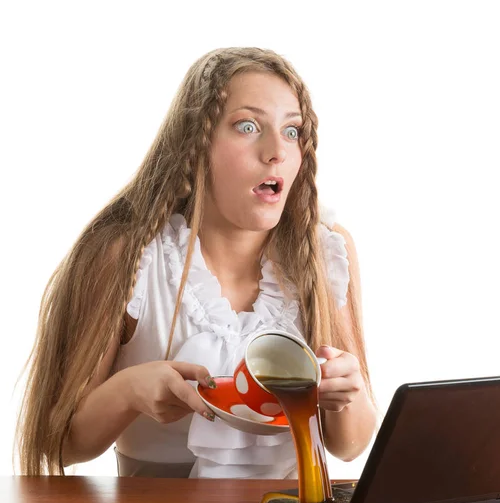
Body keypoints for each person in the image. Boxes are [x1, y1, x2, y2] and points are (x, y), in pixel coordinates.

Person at [17, 47, 378, 478]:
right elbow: (57, 444)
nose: (276, 151)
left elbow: (351, 445)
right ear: (195, 145)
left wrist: (347, 388)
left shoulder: (324, 254)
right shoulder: (129, 258)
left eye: (292, 131)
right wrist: (129, 390)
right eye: (248, 126)